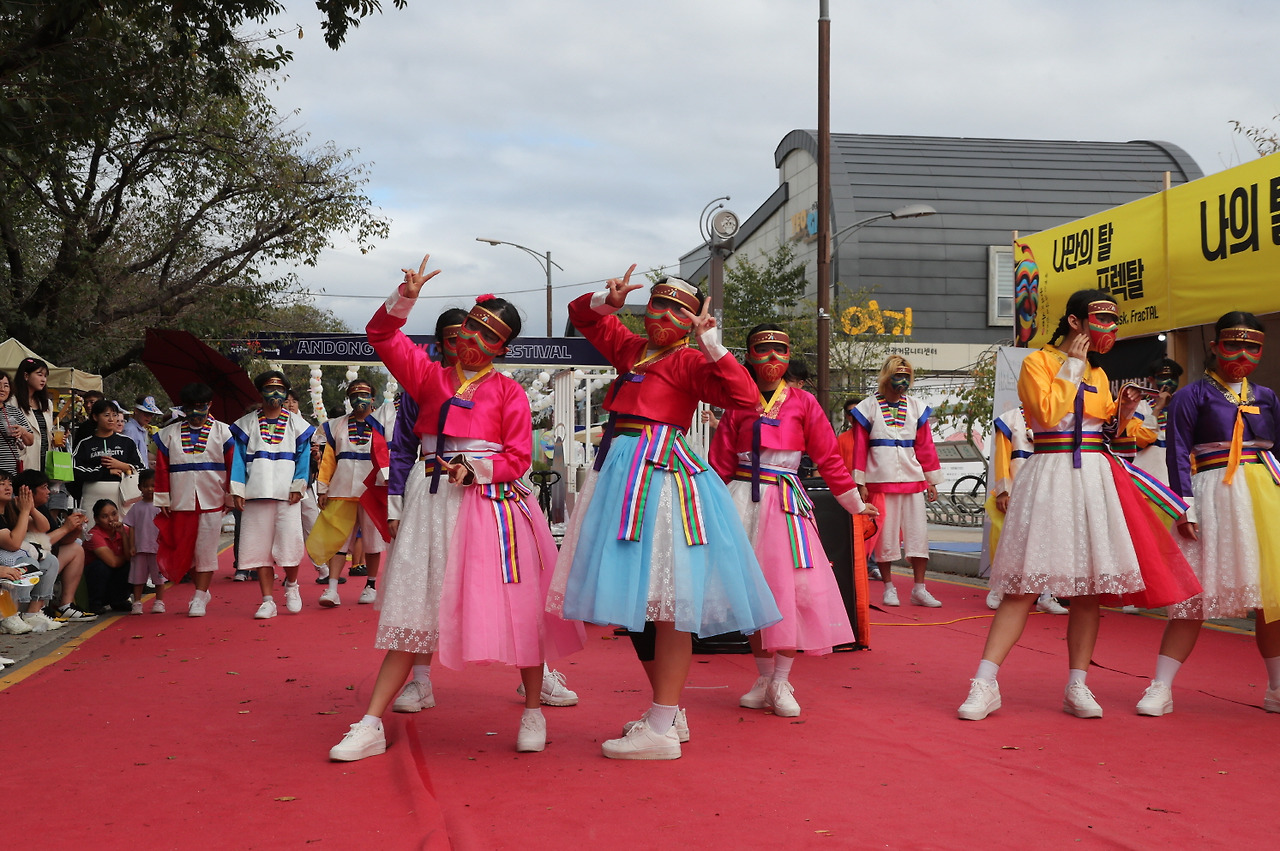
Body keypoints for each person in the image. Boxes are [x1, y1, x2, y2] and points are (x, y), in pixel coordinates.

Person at [329, 254, 585, 762]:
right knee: (414, 607)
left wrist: (476, 471)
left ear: (503, 348)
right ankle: (372, 722)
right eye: (471, 327)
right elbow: (381, 336)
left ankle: (533, 707)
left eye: (489, 336)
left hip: (493, 510)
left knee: (519, 607)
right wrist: (407, 296)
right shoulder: (426, 377)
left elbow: (518, 457)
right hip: (430, 505)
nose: (474, 340)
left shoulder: (510, 392)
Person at [548, 267, 780, 760]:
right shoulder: (631, 349)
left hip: (661, 479)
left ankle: (661, 724)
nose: (664, 316)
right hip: (621, 475)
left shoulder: (692, 361)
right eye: (658, 304)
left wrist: (713, 343)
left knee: (667, 606)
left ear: (693, 319)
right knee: (637, 609)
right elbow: (580, 317)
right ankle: (667, 713)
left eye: (680, 310)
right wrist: (603, 300)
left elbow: (745, 398)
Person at [957, 289, 1200, 721]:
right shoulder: (1037, 362)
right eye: (1102, 319)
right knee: (1022, 590)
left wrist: (1122, 413)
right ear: (1075, 322)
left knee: (1087, 592)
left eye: (1113, 321)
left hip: (1093, 477)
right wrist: (1071, 365)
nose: (1110, 329)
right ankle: (985, 683)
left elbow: (1111, 435)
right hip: (1049, 472)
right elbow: (1047, 415)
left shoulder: (1099, 373)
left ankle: (1077, 685)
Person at [709, 325, 878, 718]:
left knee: (789, 592)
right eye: (762, 350)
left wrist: (854, 503)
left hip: (785, 504)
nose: (771, 359)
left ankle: (781, 679)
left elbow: (830, 459)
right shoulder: (735, 403)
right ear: (748, 356)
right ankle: (765, 677)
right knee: (751, 593)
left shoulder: (804, 403)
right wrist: (704, 509)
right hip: (742, 503)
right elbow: (719, 464)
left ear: (788, 356)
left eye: (779, 351)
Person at [1135, 313, 1280, 716]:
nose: (1243, 355)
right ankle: (1160, 688)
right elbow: (1177, 453)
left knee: (1272, 598)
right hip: (1212, 497)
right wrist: (1184, 507)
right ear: (1215, 346)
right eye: (1233, 344)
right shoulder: (1190, 396)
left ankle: (1277, 689)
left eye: (1253, 347)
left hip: (1266, 500)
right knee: (1192, 597)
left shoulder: (1267, 397)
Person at [850, 356, 945, 607]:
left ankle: (919, 589)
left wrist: (931, 480)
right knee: (886, 536)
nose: (902, 381)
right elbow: (860, 449)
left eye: (906, 376)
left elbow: (925, 446)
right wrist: (860, 483)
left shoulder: (917, 407)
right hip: (880, 480)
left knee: (918, 536)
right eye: (897, 375)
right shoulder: (866, 407)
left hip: (913, 479)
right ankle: (889, 588)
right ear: (886, 377)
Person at [230, 371, 314, 619]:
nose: (275, 394)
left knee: (290, 544)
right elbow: (237, 460)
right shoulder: (245, 423)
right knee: (259, 549)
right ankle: (267, 600)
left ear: (287, 393)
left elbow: (304, 457)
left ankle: (292, 586)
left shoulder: (298, 424)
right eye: (269, 388)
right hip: (256, 493)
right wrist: (237, 490)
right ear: (261, 392)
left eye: (280, 389)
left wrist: (298, 486)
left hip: (287, 495)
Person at [152, 383, 234, 617]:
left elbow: (232, 465)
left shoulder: (224, 432)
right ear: (183, 408)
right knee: (186, 550)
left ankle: (199, 595)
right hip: (180, 498)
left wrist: (231, 497)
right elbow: (161, 470)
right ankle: (202, 591)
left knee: (206, 550)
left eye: (201, 407)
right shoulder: (167, 434)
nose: (196, 413)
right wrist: (163, 498)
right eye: (190, 408)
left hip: (212, 498)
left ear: (209, 405)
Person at [308, 378, 389, 607]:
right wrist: (322, 489)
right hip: (341, 489)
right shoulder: (335, 425)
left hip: (372, 490)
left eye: (364, 394)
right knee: (338, 540)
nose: (358, 398)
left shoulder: (383, 424)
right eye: (354, 394)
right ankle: (332, 589)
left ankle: (370, 586)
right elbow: (327, 461)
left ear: (373, 398)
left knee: (373, 542)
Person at [982, 405, 1067, 615]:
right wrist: (1003, 491)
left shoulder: (1060, 417)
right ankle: (999, 588)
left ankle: (1046, 595)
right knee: (1007, 541)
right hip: (1016, 492)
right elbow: (1002, 458)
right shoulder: (1010, 419)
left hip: (1048, 490)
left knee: (1049, 543)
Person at [13, 469, 93, 622]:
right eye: (44, 487)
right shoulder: (16, 508)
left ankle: (66, 606)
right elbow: (39, 543)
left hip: (40, 557)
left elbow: (58, 537)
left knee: (76, 547)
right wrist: (65, 528)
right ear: (28, 491)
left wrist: (75, 529)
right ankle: (33, 611)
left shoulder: (40, 508)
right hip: (26, 561)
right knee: (49, 560)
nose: (48, 492)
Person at [0, 470, 65, 632]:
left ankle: (33, 613)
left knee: (50, 561)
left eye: (9, 484)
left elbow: (43, 527)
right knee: (28, 562)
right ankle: (10, 616)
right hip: (4, 564)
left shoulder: (10, 508)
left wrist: (30, 508)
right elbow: (14, 543)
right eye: (2, 484)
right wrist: (23, 512)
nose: (8, 487)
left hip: (9, 561)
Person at [72, 399, 144, 511]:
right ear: (95, 417)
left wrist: (123, 466)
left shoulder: (126, 442)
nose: (111, 419)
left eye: (114, 415)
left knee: (122, 528)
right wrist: (105, 472)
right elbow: (76, 470)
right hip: (92, 498)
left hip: (123, 499)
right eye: (106, 415)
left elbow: (142, 468)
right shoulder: (85, 443)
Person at [1132, 357, 1184, 485]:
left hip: (1179, 482)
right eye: (1164, 377)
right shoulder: (1139, 407)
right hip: (1148, 484)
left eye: (1174, 377)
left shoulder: (1183, 408)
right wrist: (1157, 409)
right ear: (1151, 380)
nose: (1170, 382)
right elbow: (1140, 440)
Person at [124, 469, 163, 614]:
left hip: (157, 549)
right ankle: (137, 602)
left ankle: (159, 601)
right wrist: (132, 545)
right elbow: (131, 527)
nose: (150, 489)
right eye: (146, 486)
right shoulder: (136, 507)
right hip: (140, 548)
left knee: (159, 578)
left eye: (153, 486)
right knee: (138, 578)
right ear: (140, 487)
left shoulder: (161, 506)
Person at [13, 357, 61, 475]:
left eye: (45, 376)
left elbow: (46, 432)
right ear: (26, 376)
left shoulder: (46, 403)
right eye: (39, 374)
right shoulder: (13, 401)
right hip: (24, 460)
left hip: (46, 462)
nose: (43, 379)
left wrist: (56, 439)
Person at [85, 498, 131, 614]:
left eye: (114, 514)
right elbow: (113, 562)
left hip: (114, 577)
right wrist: (126, 557)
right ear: (96, 519)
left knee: (132, 565)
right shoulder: (94, 535)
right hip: (95, 580)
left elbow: (130, 557)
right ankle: (95, 603)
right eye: (104, 517)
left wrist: (124, 536)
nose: (111, 519)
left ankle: (119, 600)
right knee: (101, 566)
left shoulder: (124, 530)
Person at [0, 370, 35, 476]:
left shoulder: (14, 411)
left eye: (6, 386)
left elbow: (30, 440)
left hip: (11, 470)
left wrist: (22, 431)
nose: (2, 389)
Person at [123, 396, 163, 468]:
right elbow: (127, 455)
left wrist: (147, 463)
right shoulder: (130, 430)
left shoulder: (141, 430)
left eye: (151, 414)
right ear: (136, 410)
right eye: (146, 413)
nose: (149, 417)